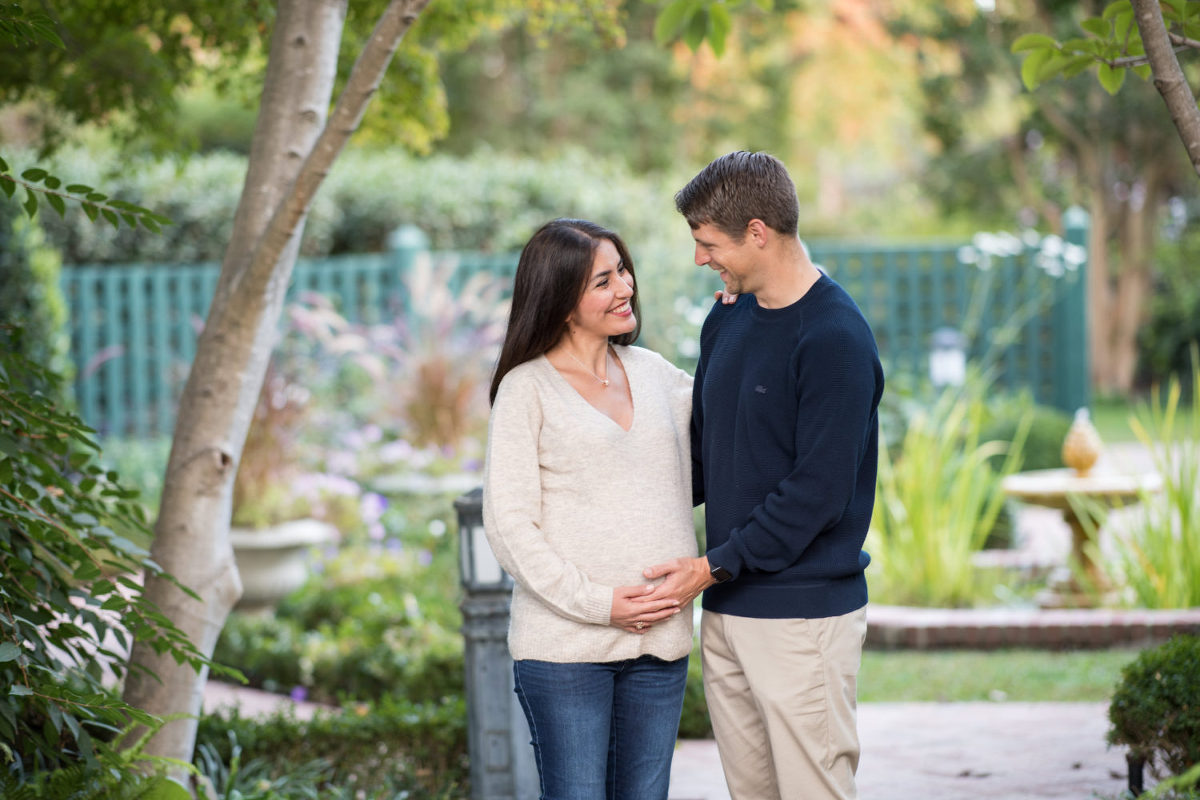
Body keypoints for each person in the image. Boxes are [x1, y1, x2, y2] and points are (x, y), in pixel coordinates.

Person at [641, 151, 885, 800]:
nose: (700, 259)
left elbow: (818, 494)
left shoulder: (835, 337)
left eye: (707, 243)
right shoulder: (728, 316)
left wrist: (711, 565)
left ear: (758, 232)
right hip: (728, 610)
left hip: (801, 621)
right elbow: (708, 455)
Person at [481, 218, 697, 800]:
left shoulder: (659, 377)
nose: (624, 287)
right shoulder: (527, 390)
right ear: (562, 300)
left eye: (622, 270)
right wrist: (600, 605)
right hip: (565, 653)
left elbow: (731, 441)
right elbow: (508, 525)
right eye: (602, 281)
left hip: (660, 643)